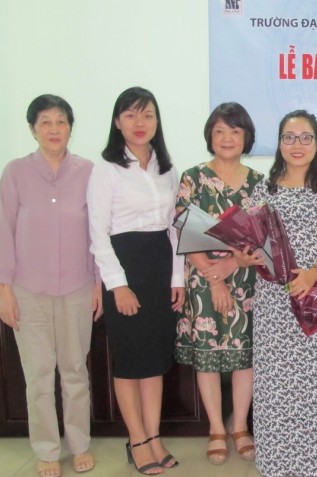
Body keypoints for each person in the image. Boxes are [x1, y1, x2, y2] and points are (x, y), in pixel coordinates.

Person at [0, 94, 102, 477]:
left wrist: (98, 283)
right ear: (33, 129)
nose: (54, 129)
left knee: (75, 371)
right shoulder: (15, 172)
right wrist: (4, 290)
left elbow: (97, 232)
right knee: (38, 375)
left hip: (77, 287)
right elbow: (3, 232)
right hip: (28, 290)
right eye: (45, 122)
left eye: (61, 121)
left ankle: (80, 444)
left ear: (71, 127)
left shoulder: (88, 171)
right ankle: (46, 449)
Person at [233, 110, 317, 477]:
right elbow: (247, 238)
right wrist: (245, 256)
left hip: (312, 295)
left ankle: (310, 458)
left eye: (305, 137)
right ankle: (276, 458)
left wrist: (314, 273)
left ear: (316, 143)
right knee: (275, 382)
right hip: (273, 300)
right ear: (279, 143)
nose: (297, 144)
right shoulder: (262, 190)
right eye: (289, 137)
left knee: (311, 380)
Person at [87, 86, 185, 475]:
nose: (139, 122)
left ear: (157, 121)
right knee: (130, 361)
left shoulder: (166, 168)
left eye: (147, 115)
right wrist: (118, 285)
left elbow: (173, 229)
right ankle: (137, 440)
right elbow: (98, 233)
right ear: (117, 122)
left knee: (155, 359)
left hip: (159, 266)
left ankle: (154, 437)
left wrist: (177, 278)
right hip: (125, 267)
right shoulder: (106, 168)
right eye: (130, 115)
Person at [174, 102, 262, 465]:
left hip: (247, 279)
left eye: (235, 131)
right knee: (208, 357)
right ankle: (215, 428)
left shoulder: (260, 183)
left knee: (245, 357)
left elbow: (263, 238)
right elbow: (183, 230)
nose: (227, 138)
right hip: (203, 279)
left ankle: (239, 426)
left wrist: (232, 264)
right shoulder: (193, 178)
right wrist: (215, 279)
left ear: (246, 137)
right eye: (220, 131)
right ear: (210, 136)